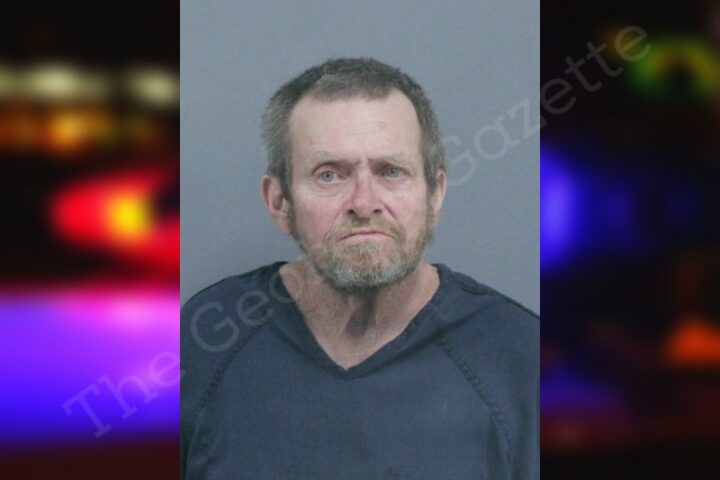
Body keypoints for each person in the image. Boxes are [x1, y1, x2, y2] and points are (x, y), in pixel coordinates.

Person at [181, 57, 538, 480]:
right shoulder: (204, 343)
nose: (364, 203)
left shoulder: (518, 358)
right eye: (329, 175)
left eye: (392, 171)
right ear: (279, 202)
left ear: (435, 195)